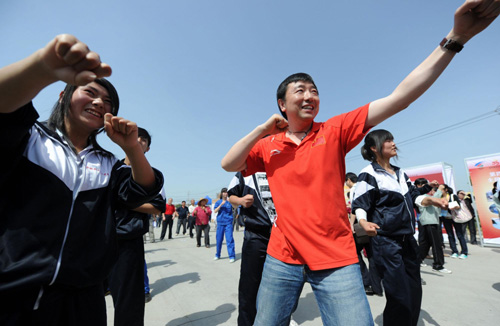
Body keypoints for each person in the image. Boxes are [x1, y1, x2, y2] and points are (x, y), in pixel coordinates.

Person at [221, 3, 499, 325]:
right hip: (281, 257)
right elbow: (230, 164)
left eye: (315, 90)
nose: (310, 95)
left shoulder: (334, 130)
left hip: (336, 258)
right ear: (282, 104)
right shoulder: (269, 146)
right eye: (300, 90)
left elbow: (400, 97)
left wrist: (455, 38)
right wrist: (261, 130)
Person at [0, 35, 163, 325]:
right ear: (63, 96)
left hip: (85, 298)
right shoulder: (31, 138)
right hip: (17, 292)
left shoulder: (108, 163)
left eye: (108, 102)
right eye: (90, 92)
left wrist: (132, 148)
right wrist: (42, 67)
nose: (100, 102)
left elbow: (143, 190)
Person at [352, 130, 448, 326]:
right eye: (388, 140)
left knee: (414, 290)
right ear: (374, 148)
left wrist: (431, 200)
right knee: (399, 295)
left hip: (407, 239)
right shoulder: (368, 174)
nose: (394, 144)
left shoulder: (401, 173)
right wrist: (363, 222)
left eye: (393, 139)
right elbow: (360, 204)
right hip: (386, 241)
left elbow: (414, 197)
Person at [108, 127, 166, 326]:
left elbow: (158, 208)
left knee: (128, 302)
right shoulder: (111, 168)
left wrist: (127, 202)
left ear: (148, 149)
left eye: (144, 140)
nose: (139, 141)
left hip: (127, 242)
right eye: (136, 137)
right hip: (99, 239)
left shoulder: (149, 175)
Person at [228, 172, 276, 326]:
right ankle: (246, 322)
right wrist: (241, 200)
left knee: (280, 284)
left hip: (282, 235)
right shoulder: (245, 173)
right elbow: (231, 196)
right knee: (250, 283)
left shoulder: (281, 166)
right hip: (256, 236)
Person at [346, 172, 383, 296]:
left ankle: (366, 282)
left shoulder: (354, 190)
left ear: (349, 180)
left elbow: (356, 209)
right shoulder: (368, 186)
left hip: (360, 226)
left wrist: (351, 224)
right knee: (372, 255)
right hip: (373, 224)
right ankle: (377, 286)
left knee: (355, 254)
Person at [415, 180, 452, 274]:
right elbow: (432, 200)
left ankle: (417, 260)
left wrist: (442, 194)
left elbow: (441, 203)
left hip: (432, 221)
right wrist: (439, 190)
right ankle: (438, 265)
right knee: (436, 244)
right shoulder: (421, 196)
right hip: (429, 222)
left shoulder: (431, 196)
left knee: (425, 244)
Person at [441, 185, 469, 259]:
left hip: (455, 217)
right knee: (450, 235)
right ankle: (454, 251)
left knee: (459, 234)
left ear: (446, 189)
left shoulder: (452, 196)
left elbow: (458, 206)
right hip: (445, 218)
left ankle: (464, 252)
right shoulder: (439, 198)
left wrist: (450, 206)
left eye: (441, 189)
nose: (439, 190)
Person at [213, 188, 236, 262]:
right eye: (224, 192)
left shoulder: (230, 202)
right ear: (222, 193)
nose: (225, 193)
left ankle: (231, 256)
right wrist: (221, 205)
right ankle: (217, 254)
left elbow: (236, 207)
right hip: (220, 223)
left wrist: (231, 202)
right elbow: (215, 211)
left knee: (229, 239)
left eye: (226, 192)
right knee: (219, 240)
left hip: (228, 223)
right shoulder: (218, 202)